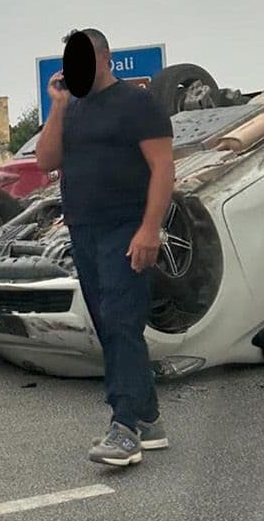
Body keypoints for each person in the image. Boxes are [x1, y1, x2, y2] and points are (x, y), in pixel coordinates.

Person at [33, 27, 175, 467]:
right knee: (110, 325)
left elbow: (163, 168)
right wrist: (58, 106)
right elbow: (46, 160)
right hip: (84, 231)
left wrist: (149, 230)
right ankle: (149, 420)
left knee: (120, 323)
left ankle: (125, 426)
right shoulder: (72, 109)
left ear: (105, 57)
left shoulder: (137, 104)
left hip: (126, 228)